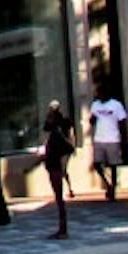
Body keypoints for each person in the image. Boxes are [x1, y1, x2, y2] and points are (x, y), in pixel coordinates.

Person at [41, 100, 76, 239]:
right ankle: (62, 228)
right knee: (58, 198)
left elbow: (68, 147)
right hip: (53, 166)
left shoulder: (57, 133)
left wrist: (62, 164)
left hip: (56, 166)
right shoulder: (53, 133)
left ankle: (63, 229)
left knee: (59, 198)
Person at [88, 86, 128, 201]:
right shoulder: (95, 105)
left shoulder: (116, 105)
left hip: (112, 138)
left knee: (113, 165)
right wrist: (93, 119)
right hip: (99, 138)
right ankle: (107, 184)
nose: (99, 97)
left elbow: (122, 122)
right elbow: (92, 121)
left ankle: (113, 190)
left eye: (100, 94)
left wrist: (123, 140)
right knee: (97, 164)